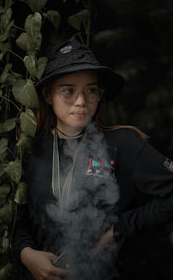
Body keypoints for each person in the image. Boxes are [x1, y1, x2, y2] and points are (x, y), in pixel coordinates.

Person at [12, 40, 173, 280]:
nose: (81, 101)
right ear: (47, 94)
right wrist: (26, 254)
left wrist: (120, 227)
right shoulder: (30, 149)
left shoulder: (123, 143)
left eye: (91, 90)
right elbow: (18, 218)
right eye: (68, 90)